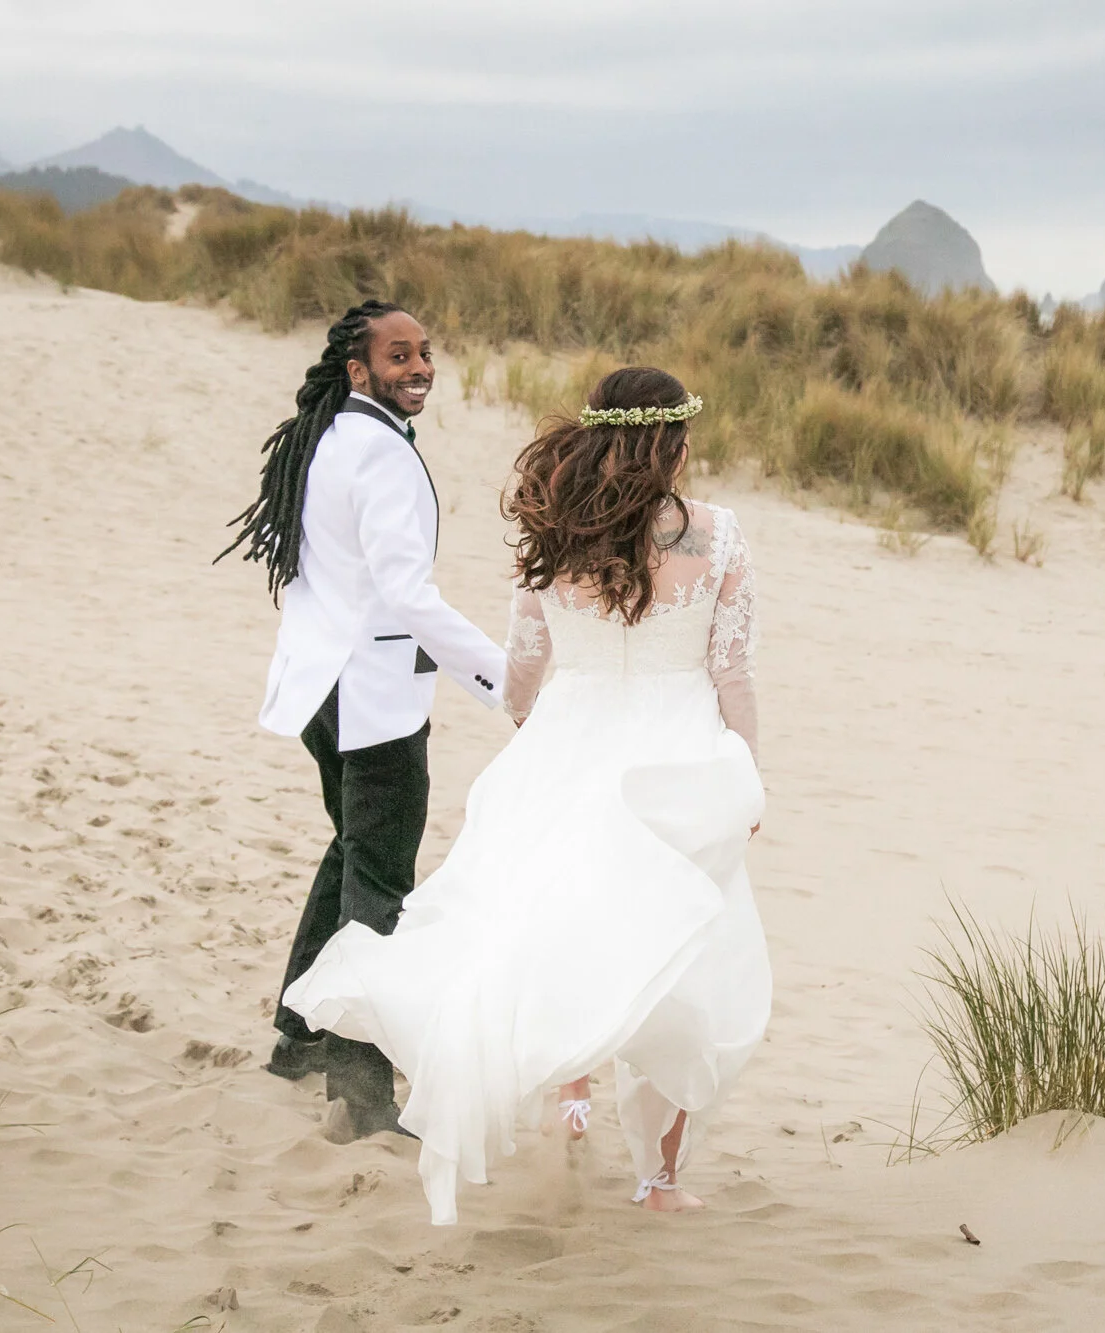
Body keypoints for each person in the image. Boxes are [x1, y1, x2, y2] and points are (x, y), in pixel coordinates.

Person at [283, 366, 770, 1224]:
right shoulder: (716, 538)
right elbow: (731, 671)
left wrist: (546, 745)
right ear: (672, 442)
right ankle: (658, 1178)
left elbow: (519, 682)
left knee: (557, 923)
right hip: (680, 761)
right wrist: (748, 773)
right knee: (692, 950)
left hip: (567, 745)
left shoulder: (559, 538)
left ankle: (570, 1094)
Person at [219, 300, 509, 1142]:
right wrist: (502, 677)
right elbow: (409, 596)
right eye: (397, 355)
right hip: (372, 699)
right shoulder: (377, 454)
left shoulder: (329, 436)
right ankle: (360, 1079)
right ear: (358, 370)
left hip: (320, 688)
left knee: (350, 851)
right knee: (379, 883)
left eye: (424, 352)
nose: (418, 367)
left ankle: (299, 1034)